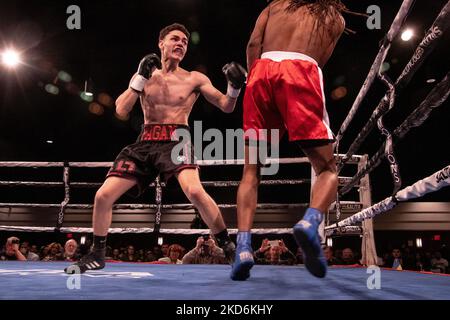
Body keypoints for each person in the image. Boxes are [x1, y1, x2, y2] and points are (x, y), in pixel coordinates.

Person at [65, 23, 246, 274]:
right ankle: (97, 254)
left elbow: (226, 106)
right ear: (161, 43)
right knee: (103, 196)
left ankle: (228, 247)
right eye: (175, 38)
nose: (181, 43)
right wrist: (140, 78)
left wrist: (234, 87)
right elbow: (121, 109)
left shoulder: (194, 78)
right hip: (145, 141)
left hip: (176, 140)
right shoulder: (145, 75)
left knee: (194, 191)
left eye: (184, 40)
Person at [232, 0, 347, 280]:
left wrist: (255, 82)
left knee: (251, 170)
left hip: (261, 72)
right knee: (328, 169)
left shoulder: (276, 5)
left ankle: (244, 248)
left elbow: (252, 45)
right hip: (301, 71)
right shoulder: (335, 18)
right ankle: (310, 222)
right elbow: (318, 59)